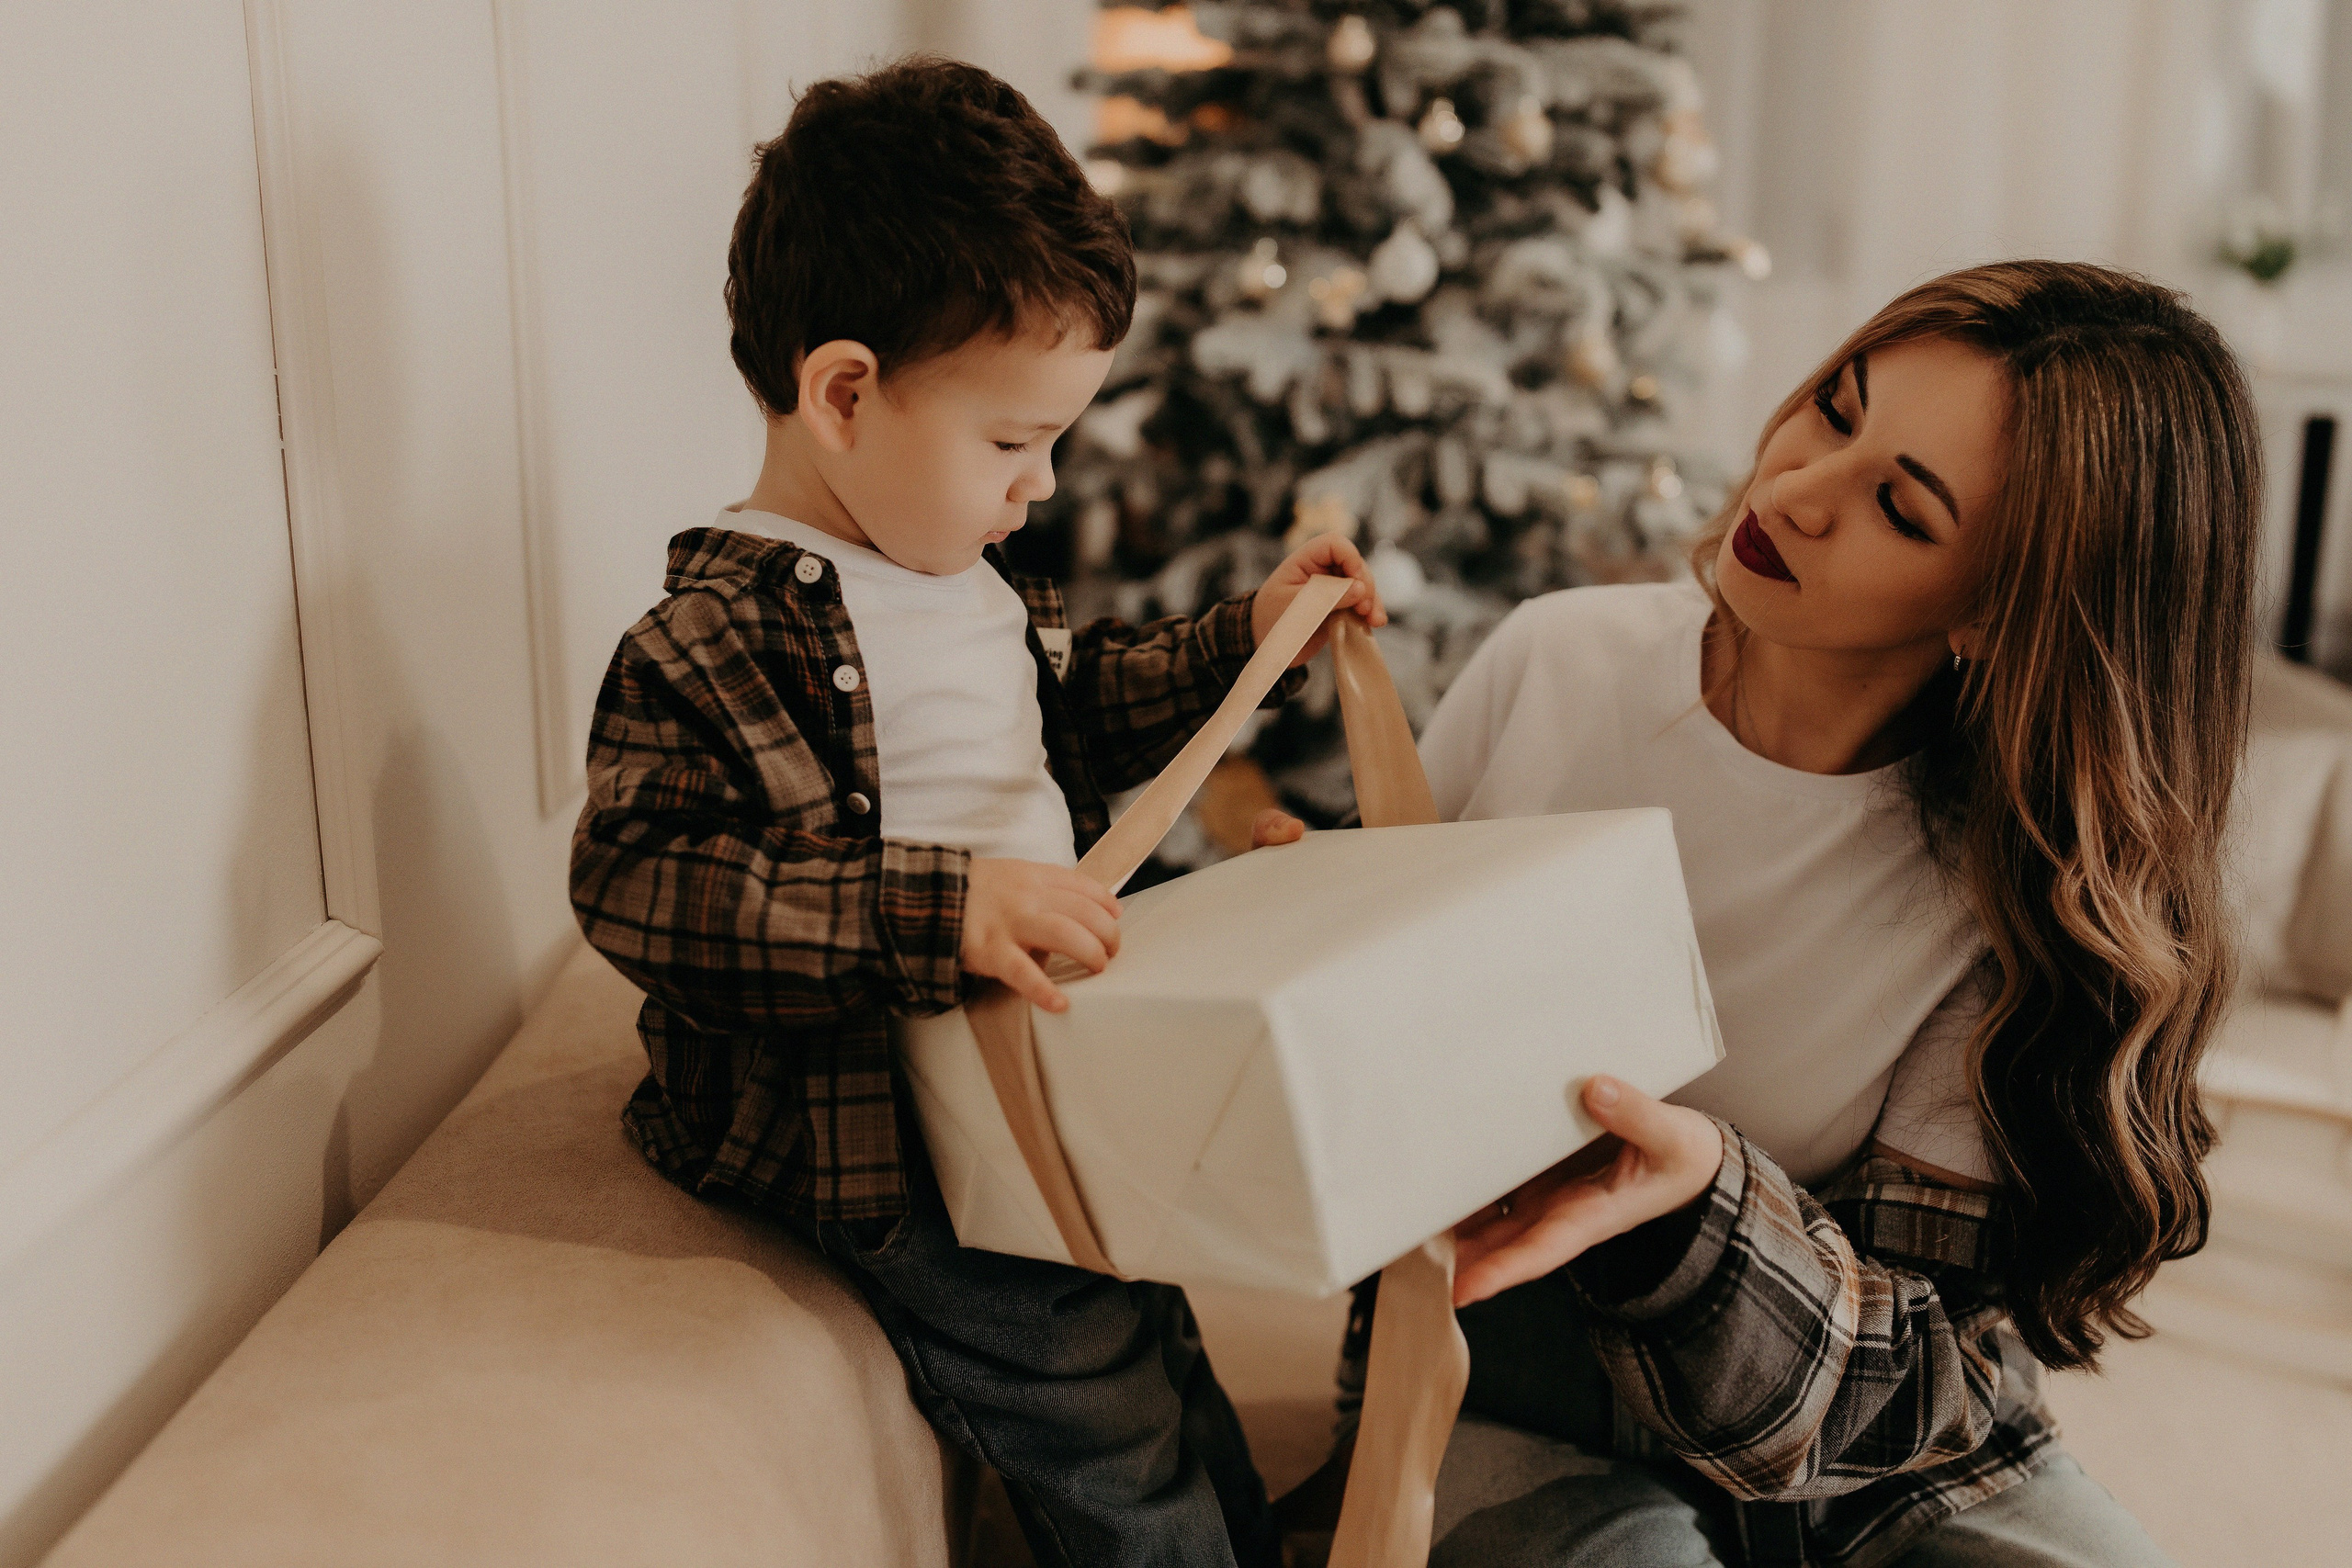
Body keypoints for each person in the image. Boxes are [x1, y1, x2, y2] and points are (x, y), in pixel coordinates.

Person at [1266, 261, 2251, 1566]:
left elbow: (1906, 1377)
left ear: (1996, 615)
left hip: (1874, 1431)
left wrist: (1699, 1208)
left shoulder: (2011, 883)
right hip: (1514, 1384)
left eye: (1899, 507)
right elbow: (1351, 1104)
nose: (1791, 491)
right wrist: (1298, 949)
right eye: (1836, 411)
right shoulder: (1559, 663)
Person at [568, 58, 1382, 1568]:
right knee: (1089, 1398)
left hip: (1042, 1097)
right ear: (845, 394)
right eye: (1014, 443)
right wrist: (946, 911)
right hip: (903, 1143)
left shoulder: (960, 574)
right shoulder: (707, 642)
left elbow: (1066, 718)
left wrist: (1242, 644)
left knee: (1158, 1329)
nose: (1042, 484)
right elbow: (640, 881)